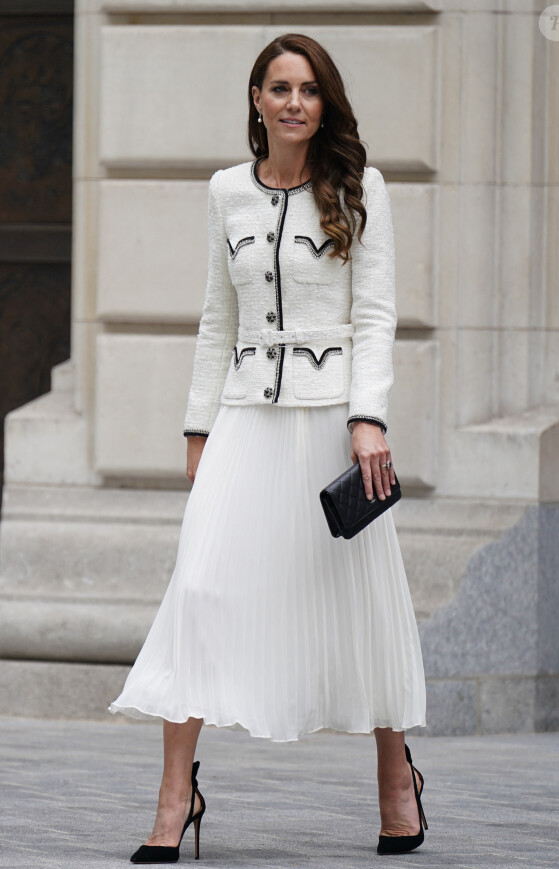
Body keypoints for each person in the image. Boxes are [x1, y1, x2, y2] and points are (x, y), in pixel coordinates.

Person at [109, 32, 427, 862]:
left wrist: (370, 418)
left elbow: (375, 315)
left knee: (357, 601)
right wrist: (197, 428)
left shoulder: (363, 189)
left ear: (326, 104)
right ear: (256, 99)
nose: (294, 101)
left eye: (309, 89)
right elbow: (218, 317)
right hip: (245, 417)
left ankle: (398, 780)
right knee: (201, 590)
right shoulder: (225, 192)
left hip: (335, 425)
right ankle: (177, 794)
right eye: (279, 87)